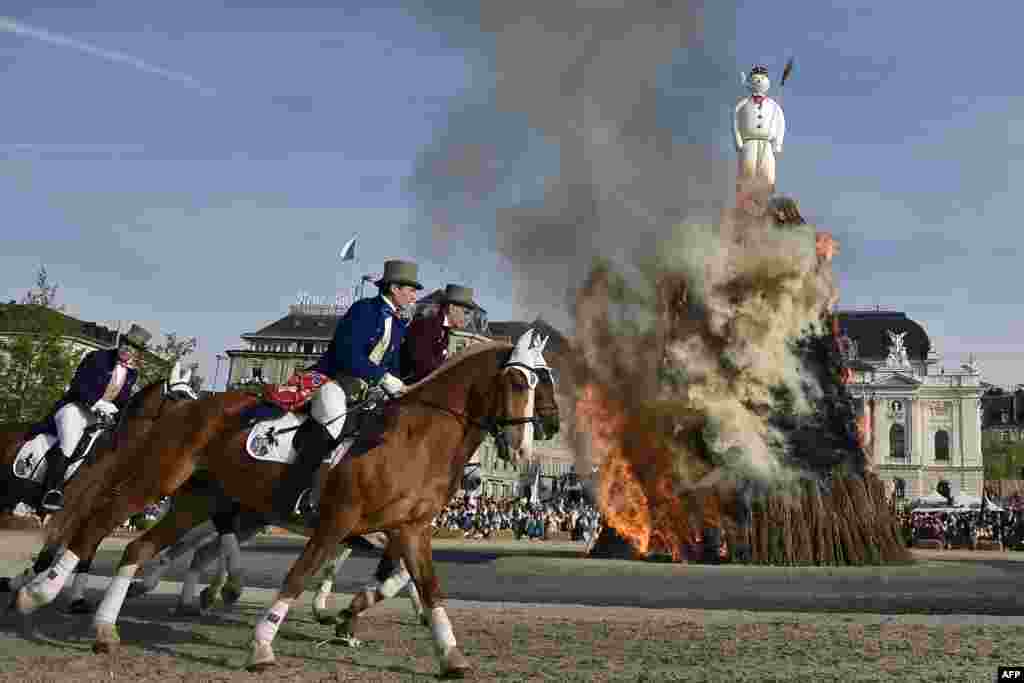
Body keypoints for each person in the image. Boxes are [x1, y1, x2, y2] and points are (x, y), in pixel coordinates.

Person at [273, 259, 423, 525]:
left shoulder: (399, 324)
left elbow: (393, 365)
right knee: (334, 421)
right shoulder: (363, 310)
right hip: (333, 380)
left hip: (365, 390)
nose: (414, 295)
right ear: (394, 288)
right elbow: (347, 354)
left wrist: (402, 387)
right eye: (411, 289)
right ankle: (295, 492)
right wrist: (383, 378)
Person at [35, 324, 152, 511]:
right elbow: (78, 385)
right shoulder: (97, 358)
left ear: (137, 353)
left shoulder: (132, 373)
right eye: (126, 344)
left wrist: (116, 412)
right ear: (121, 342)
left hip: (99, 418)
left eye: (133, 348)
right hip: (76, 408)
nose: (127, 349)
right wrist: (95, 404)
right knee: (70, 443)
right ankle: (51, 492)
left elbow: (122, 401)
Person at [401, 284, 482, 383]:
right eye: (466, 312)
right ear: (451, 308)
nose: (467, 319)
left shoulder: (445, 331)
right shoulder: (426, 325)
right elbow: (422, 366)